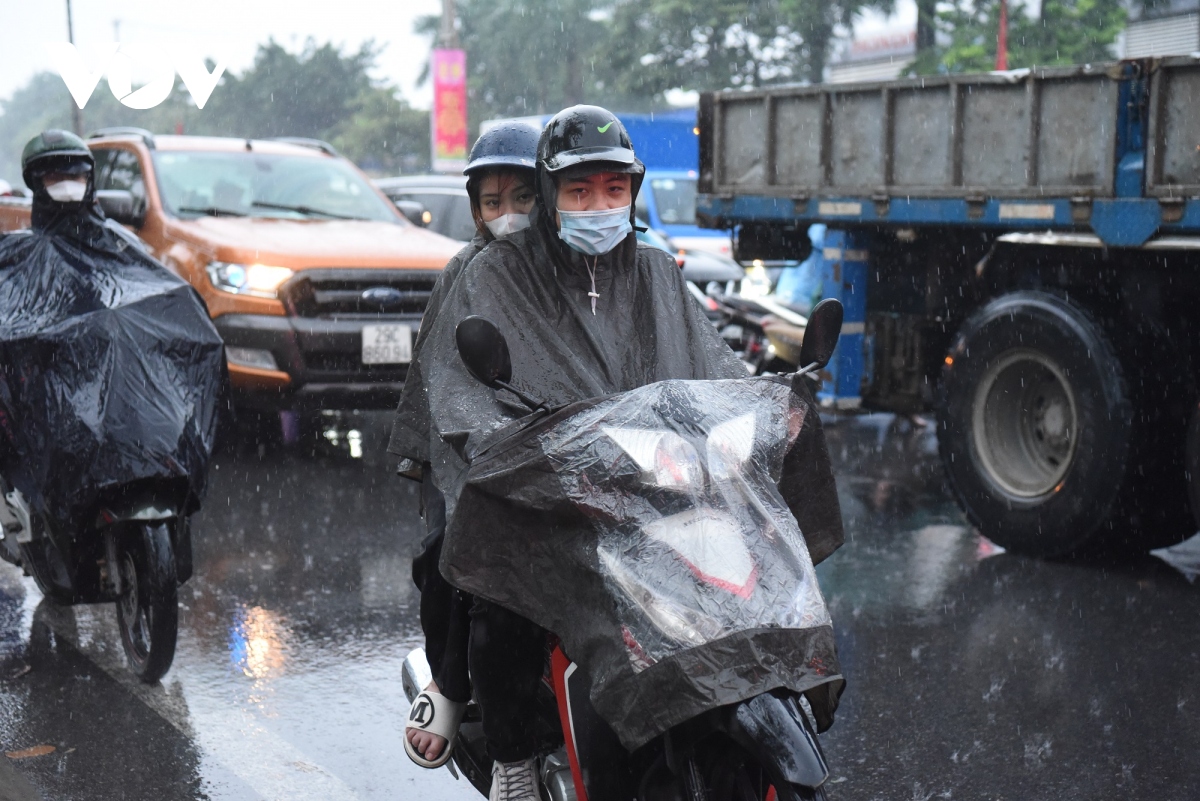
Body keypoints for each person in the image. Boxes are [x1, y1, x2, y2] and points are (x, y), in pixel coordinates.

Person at [418, 106, 747, 801]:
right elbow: (463, 387)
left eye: (612, 189)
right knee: (498, 585)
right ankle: (515, 750)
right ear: (553, 196)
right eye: (577, 191)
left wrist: (749, 412)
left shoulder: (656, 270)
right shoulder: (499, 273)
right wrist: (506, 442)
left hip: (647, 476)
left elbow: (710, 364)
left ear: (633, 189)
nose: (598, 206)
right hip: (546, 478)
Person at [388, 122, 540, 769]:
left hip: (582, 451)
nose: (508, 216)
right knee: (466, 559)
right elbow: (441, 375)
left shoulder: (589, 272)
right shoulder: (466, 272)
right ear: (476, 208)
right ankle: (453, 684)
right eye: (492, 201)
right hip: (490, 452)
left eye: (524, 198)